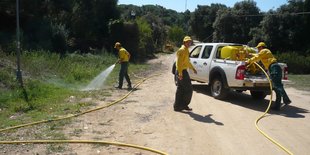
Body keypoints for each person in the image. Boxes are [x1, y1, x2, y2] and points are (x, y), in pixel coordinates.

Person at [246, 42, 291, 110]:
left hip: (274, 68)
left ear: (261, 47)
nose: (258, 49)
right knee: (277, 87)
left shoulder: (264, 50)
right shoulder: (265, 52)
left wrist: (248, 61)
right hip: (275, 67)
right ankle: (277, 105)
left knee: (277, 86)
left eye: (258, 48)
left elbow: (257, 57)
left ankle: (286, 99)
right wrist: (250, 54)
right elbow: (257, 55)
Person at [174, 36, 197, 112]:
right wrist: (180, 73)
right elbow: (179, 63)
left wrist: (193, 68)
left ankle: (177, 106)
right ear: (184, 42)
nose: (189, 43)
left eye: (190, 42)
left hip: (183, 71)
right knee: (189, 89)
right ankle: (183, 105)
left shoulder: (186, 50)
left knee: (180, 89)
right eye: (187, 42)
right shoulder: (182, 50)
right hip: (181, 71)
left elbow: (187, 62)